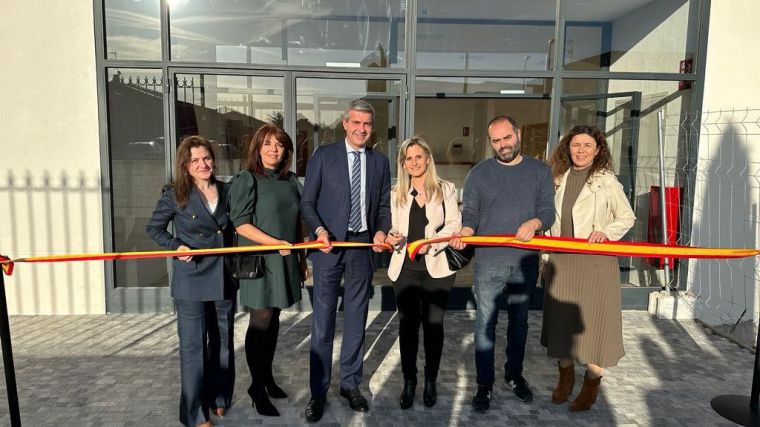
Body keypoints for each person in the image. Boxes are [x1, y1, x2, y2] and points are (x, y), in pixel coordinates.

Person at [450, 115, 555, 413]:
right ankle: (484, 384)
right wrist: (465, 234)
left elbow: (548, 211)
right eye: (496, 141)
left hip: (524, 263)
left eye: (506, 138)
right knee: (485, 325)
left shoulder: (539, 170)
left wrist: (534, 222)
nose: (502, 145)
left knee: (519, 324)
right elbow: (470, 215)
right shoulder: (479, 174)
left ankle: (514, 374)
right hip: (488, 263)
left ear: (518, 134)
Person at [300, 99, 391, 422]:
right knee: (323, 323)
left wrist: (381, 232)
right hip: (329, 247)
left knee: (356, 320)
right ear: (345, 123)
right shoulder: (324, 157)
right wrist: (320, 230)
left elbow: (383, 207)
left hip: (362, 248)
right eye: (356, 122)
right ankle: (318, 392)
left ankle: (351, 384)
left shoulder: (380, 162)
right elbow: (307, 203)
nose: (361, 129)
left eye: (367, 124)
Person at [541, 125, 635, 412]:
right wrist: (544, 258)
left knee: (595, 326)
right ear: (567, 148)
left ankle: (591, 386)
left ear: (598, 151)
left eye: (587, 146)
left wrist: (606, 232)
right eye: (576, 145)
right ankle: (565, 379)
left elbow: (627, 217)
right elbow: (547, 223)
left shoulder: (607, 182)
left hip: (595, 264)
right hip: (562, 262)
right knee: (561, 325)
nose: (580, 151)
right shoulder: (557, 179)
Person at [146, 136, 235, 427]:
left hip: (222, 275)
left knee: (222, 341)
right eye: (195, 160)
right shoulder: (175, 193)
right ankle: (194, 413)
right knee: (194, 346)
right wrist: (176, 246)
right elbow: (155, 228)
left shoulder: (227, 189)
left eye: (206, 158)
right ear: (185, 165)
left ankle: (219, 397)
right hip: (192, 277)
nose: (202, 164)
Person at [228, 124, 307, 417]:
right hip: (261, 260)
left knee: (274, 320)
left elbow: (301, 217)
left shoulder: (290, 181)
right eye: (268, 144)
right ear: (257, 149)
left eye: (280, 145)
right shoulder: (247, 179)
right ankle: (256, 388)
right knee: (260, 322)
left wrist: (304, 253)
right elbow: (241, 223)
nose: (274, 149)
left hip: (285, 258)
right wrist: (276, 243)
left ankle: (267, 378)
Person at [384, 137, 461, 410]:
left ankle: (430, 380)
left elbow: (454, 224)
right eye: (408, 158)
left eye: (419, 156)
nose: (414, 162)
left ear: (428, 158)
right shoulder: (396, 193)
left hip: (437, 269)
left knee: (433, 326)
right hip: (404, 269)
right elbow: (392, 226)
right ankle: (409, 381)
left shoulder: (446, 189)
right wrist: (392, 237)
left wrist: (429, 244)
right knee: (407, 327)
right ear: (403, 164)